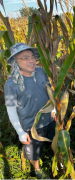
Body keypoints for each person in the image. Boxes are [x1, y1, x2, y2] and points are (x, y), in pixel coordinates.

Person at [4, 43, 55, 179]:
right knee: (34, 153)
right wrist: (20, 132)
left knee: (53, 141)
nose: (31, 61)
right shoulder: (11, 84)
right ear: (15, 61)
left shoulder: (41, 72)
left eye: (32, 57)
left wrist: (54, 109)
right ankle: (38, 170)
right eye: (25, 58)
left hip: (50, 119)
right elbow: (11, 110)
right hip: (30, 126)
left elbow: (49, 91)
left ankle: (56, 159)